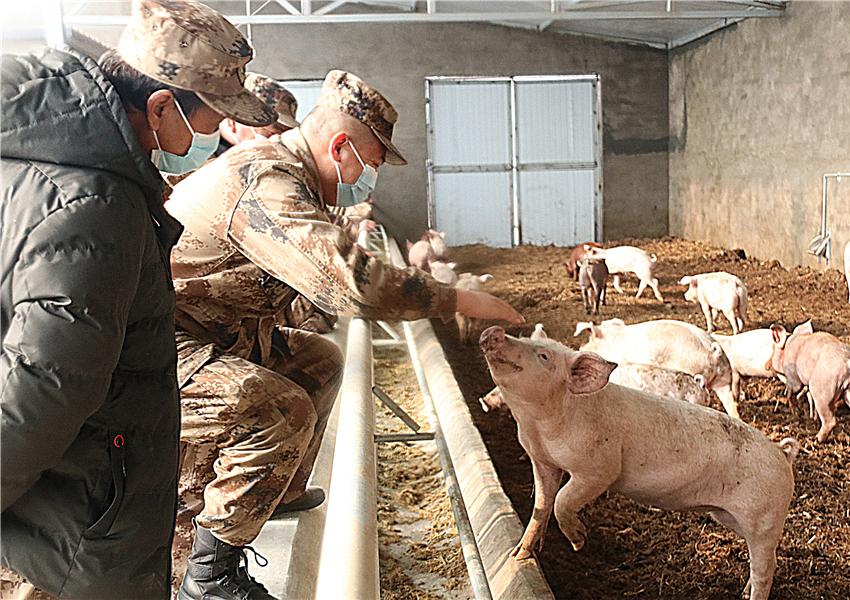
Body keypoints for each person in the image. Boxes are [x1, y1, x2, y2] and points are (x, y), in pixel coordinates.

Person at [166, 69, 523, 599]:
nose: (370, 180)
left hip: (219, 331)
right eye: (372, 165)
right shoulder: (268, 180)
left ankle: (276, 489)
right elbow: (352, 284)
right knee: (279, 410)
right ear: (340, 147)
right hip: (162, 344)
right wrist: (459, 299)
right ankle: (211, 574)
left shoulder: (297, 180)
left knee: (318, 361)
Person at [0, 0, 275, 598]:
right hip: (89, 496)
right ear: (157, 105)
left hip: (75, 478)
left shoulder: (48, 156)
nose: (209, 136)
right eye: (208, 120)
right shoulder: (98, 206)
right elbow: (45, 384)